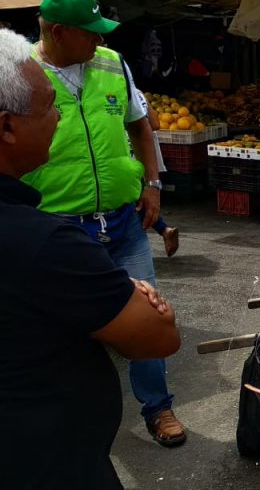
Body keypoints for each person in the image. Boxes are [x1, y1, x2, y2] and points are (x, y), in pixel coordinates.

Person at [0, 28, 181, 489]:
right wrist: (139, 299)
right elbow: (156, 336)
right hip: (50, 467)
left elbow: (140, 127)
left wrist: (151, 187)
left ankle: (158, 407)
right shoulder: (39, 242)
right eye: (48, 108)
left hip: (119, 221)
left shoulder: (110, 65)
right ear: (6, 127)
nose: (58, 117)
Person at [142, 91, 179, 257]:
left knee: (135, 200)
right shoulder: (138, 94)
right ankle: (165, 230)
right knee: (139, 198)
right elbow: (156, 123)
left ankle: (164, 230)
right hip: (147, 156)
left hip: (131, 156)